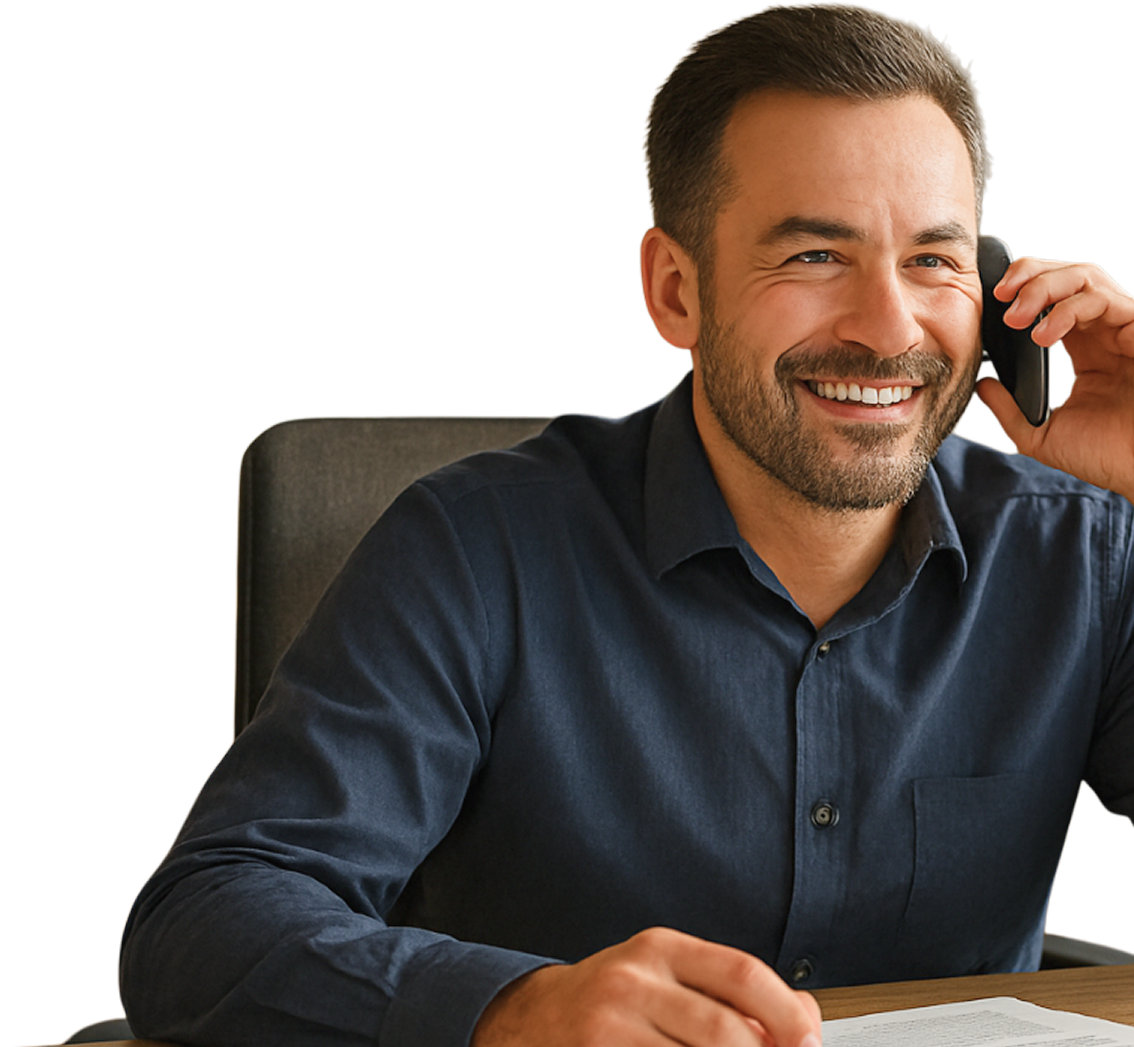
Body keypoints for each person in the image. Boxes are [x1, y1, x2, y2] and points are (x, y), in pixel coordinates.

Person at [119, 5, 1133, 1046]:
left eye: (933, 260)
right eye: (815, 257)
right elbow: (203, 923)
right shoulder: (475, 549)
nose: (888, 329)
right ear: (674, 289)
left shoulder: (1087, 549)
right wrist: (513, 1009)